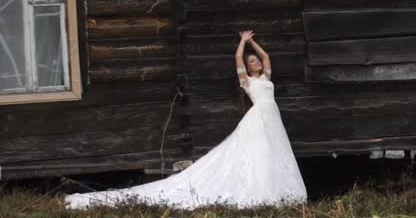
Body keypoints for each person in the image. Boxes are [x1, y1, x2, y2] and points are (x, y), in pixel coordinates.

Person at [64, 30, 307, 210]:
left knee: (273, 150)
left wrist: (254, 41)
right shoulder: (248, 82)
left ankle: (277, 190)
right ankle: (260, 190)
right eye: (251, 61)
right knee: (257, 149)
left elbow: (267, 58)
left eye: (255, 62)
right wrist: (242, 43)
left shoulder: (265, 78)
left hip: (272, 115)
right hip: (258, 116)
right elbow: (237, 60)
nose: (255, 63)